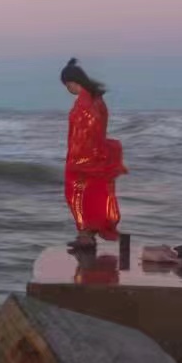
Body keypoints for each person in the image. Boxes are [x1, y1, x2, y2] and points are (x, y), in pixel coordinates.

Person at [61, 57, 126, 255]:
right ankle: (87, 234)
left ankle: (86, 235)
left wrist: (78, 158)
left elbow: (84, 132)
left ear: (73, 82)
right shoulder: (96, 99)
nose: (67, 89)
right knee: (92, 195)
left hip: (85, 157)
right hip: (97, 154)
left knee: (78, 195)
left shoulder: (85, 103)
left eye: (67, 85)